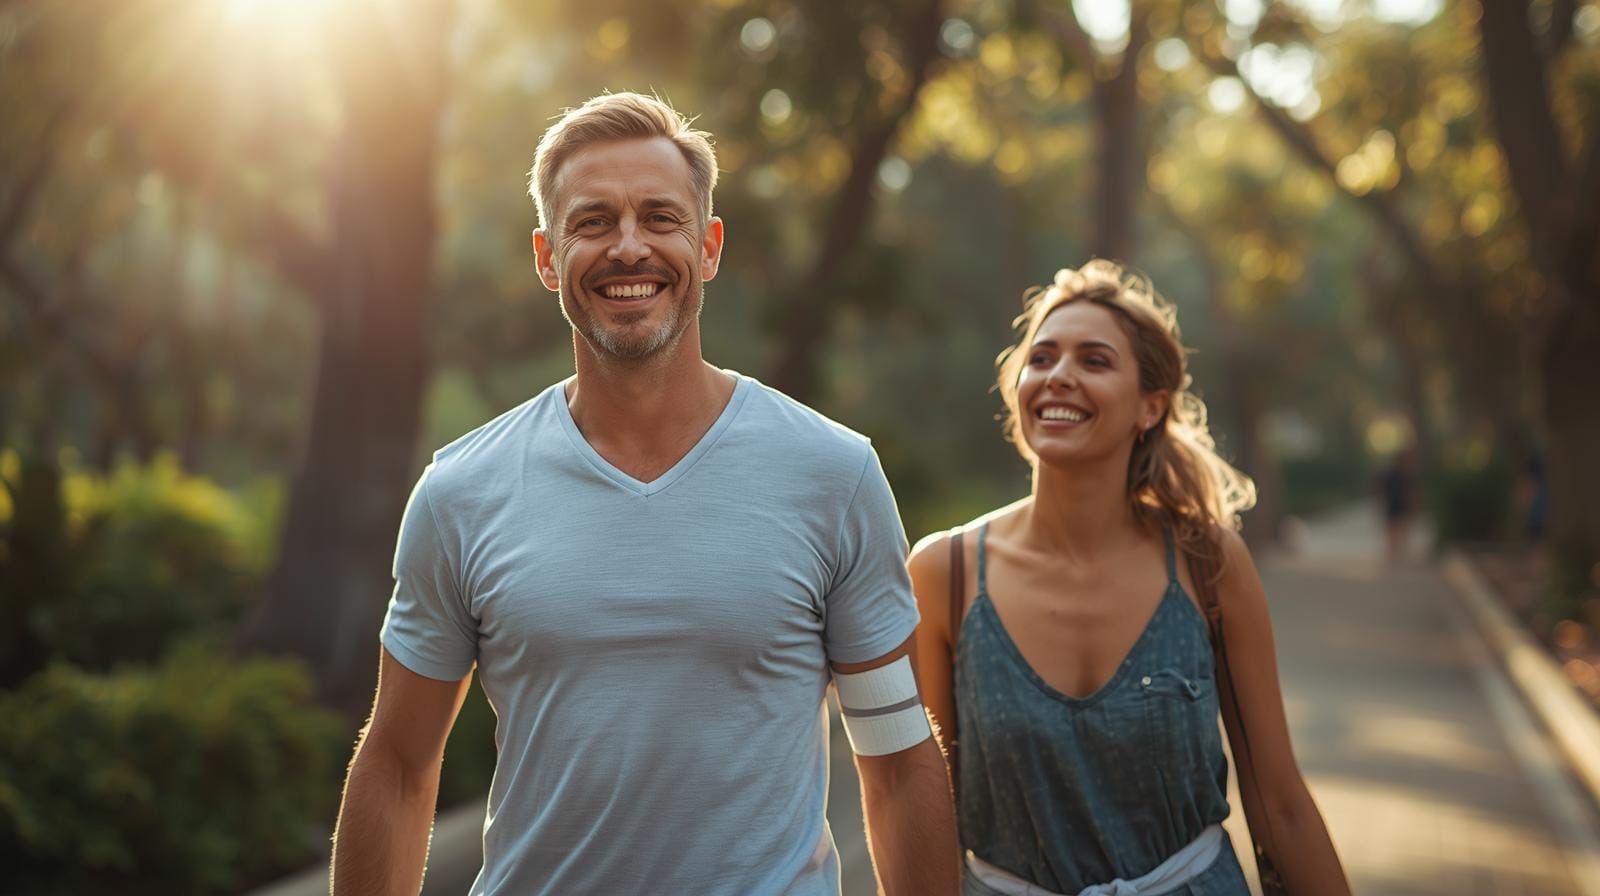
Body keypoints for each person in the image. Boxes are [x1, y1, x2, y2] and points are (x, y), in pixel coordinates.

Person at [330, 92, 959, 896]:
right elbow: (396, 764)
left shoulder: (832, 474)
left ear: (708, 246)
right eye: (593, 222)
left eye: (661, 217)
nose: (630, 247)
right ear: (547, 256)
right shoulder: (462, 492)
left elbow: (899, 760)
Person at [908, 261, 1349, 894]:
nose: (1059, 376)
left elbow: (1280, 802)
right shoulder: (943, 574)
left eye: (1094, 361)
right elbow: (922, 813)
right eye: (1042, 358)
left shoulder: (1209, 563)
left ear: (1151, 406)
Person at [1378, 447, 1418, 566]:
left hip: (1399, 503)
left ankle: (1395, 552)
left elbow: (1411, 490)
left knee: (1399, 527)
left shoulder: (1406, 473)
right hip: (1394, 503)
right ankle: (1393, 552)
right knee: (1394, 528)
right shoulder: (1398, 473)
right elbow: (1383, 490)